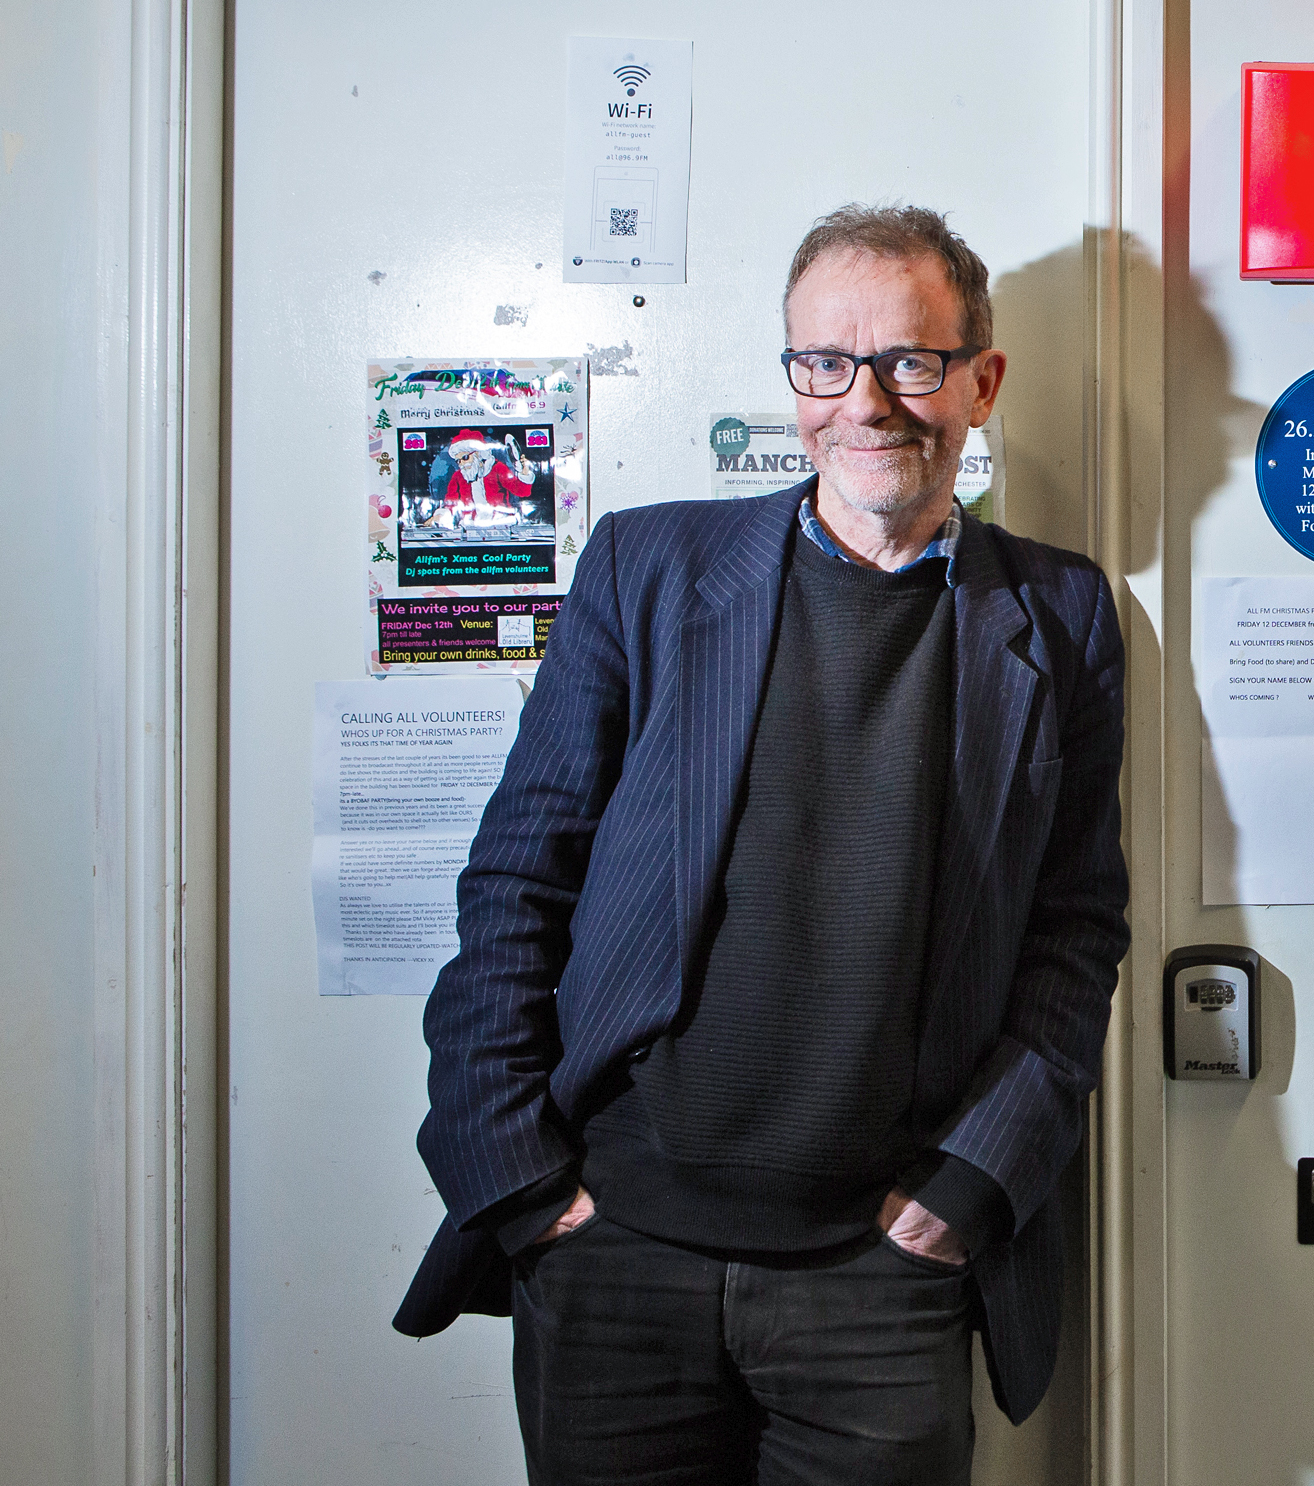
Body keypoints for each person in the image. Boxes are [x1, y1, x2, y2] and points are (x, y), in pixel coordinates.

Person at [396, 204, 1130, 1484]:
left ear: (980, 380)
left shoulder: (1059, 613)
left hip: (883, 1272)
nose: (866, 401)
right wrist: (518, 1181)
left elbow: (1076, 930)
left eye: (909, 360)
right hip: (613, 1248)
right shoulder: (649, 567)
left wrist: (969, 1188)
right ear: (792, 376)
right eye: (824, 363)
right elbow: (519, 876)